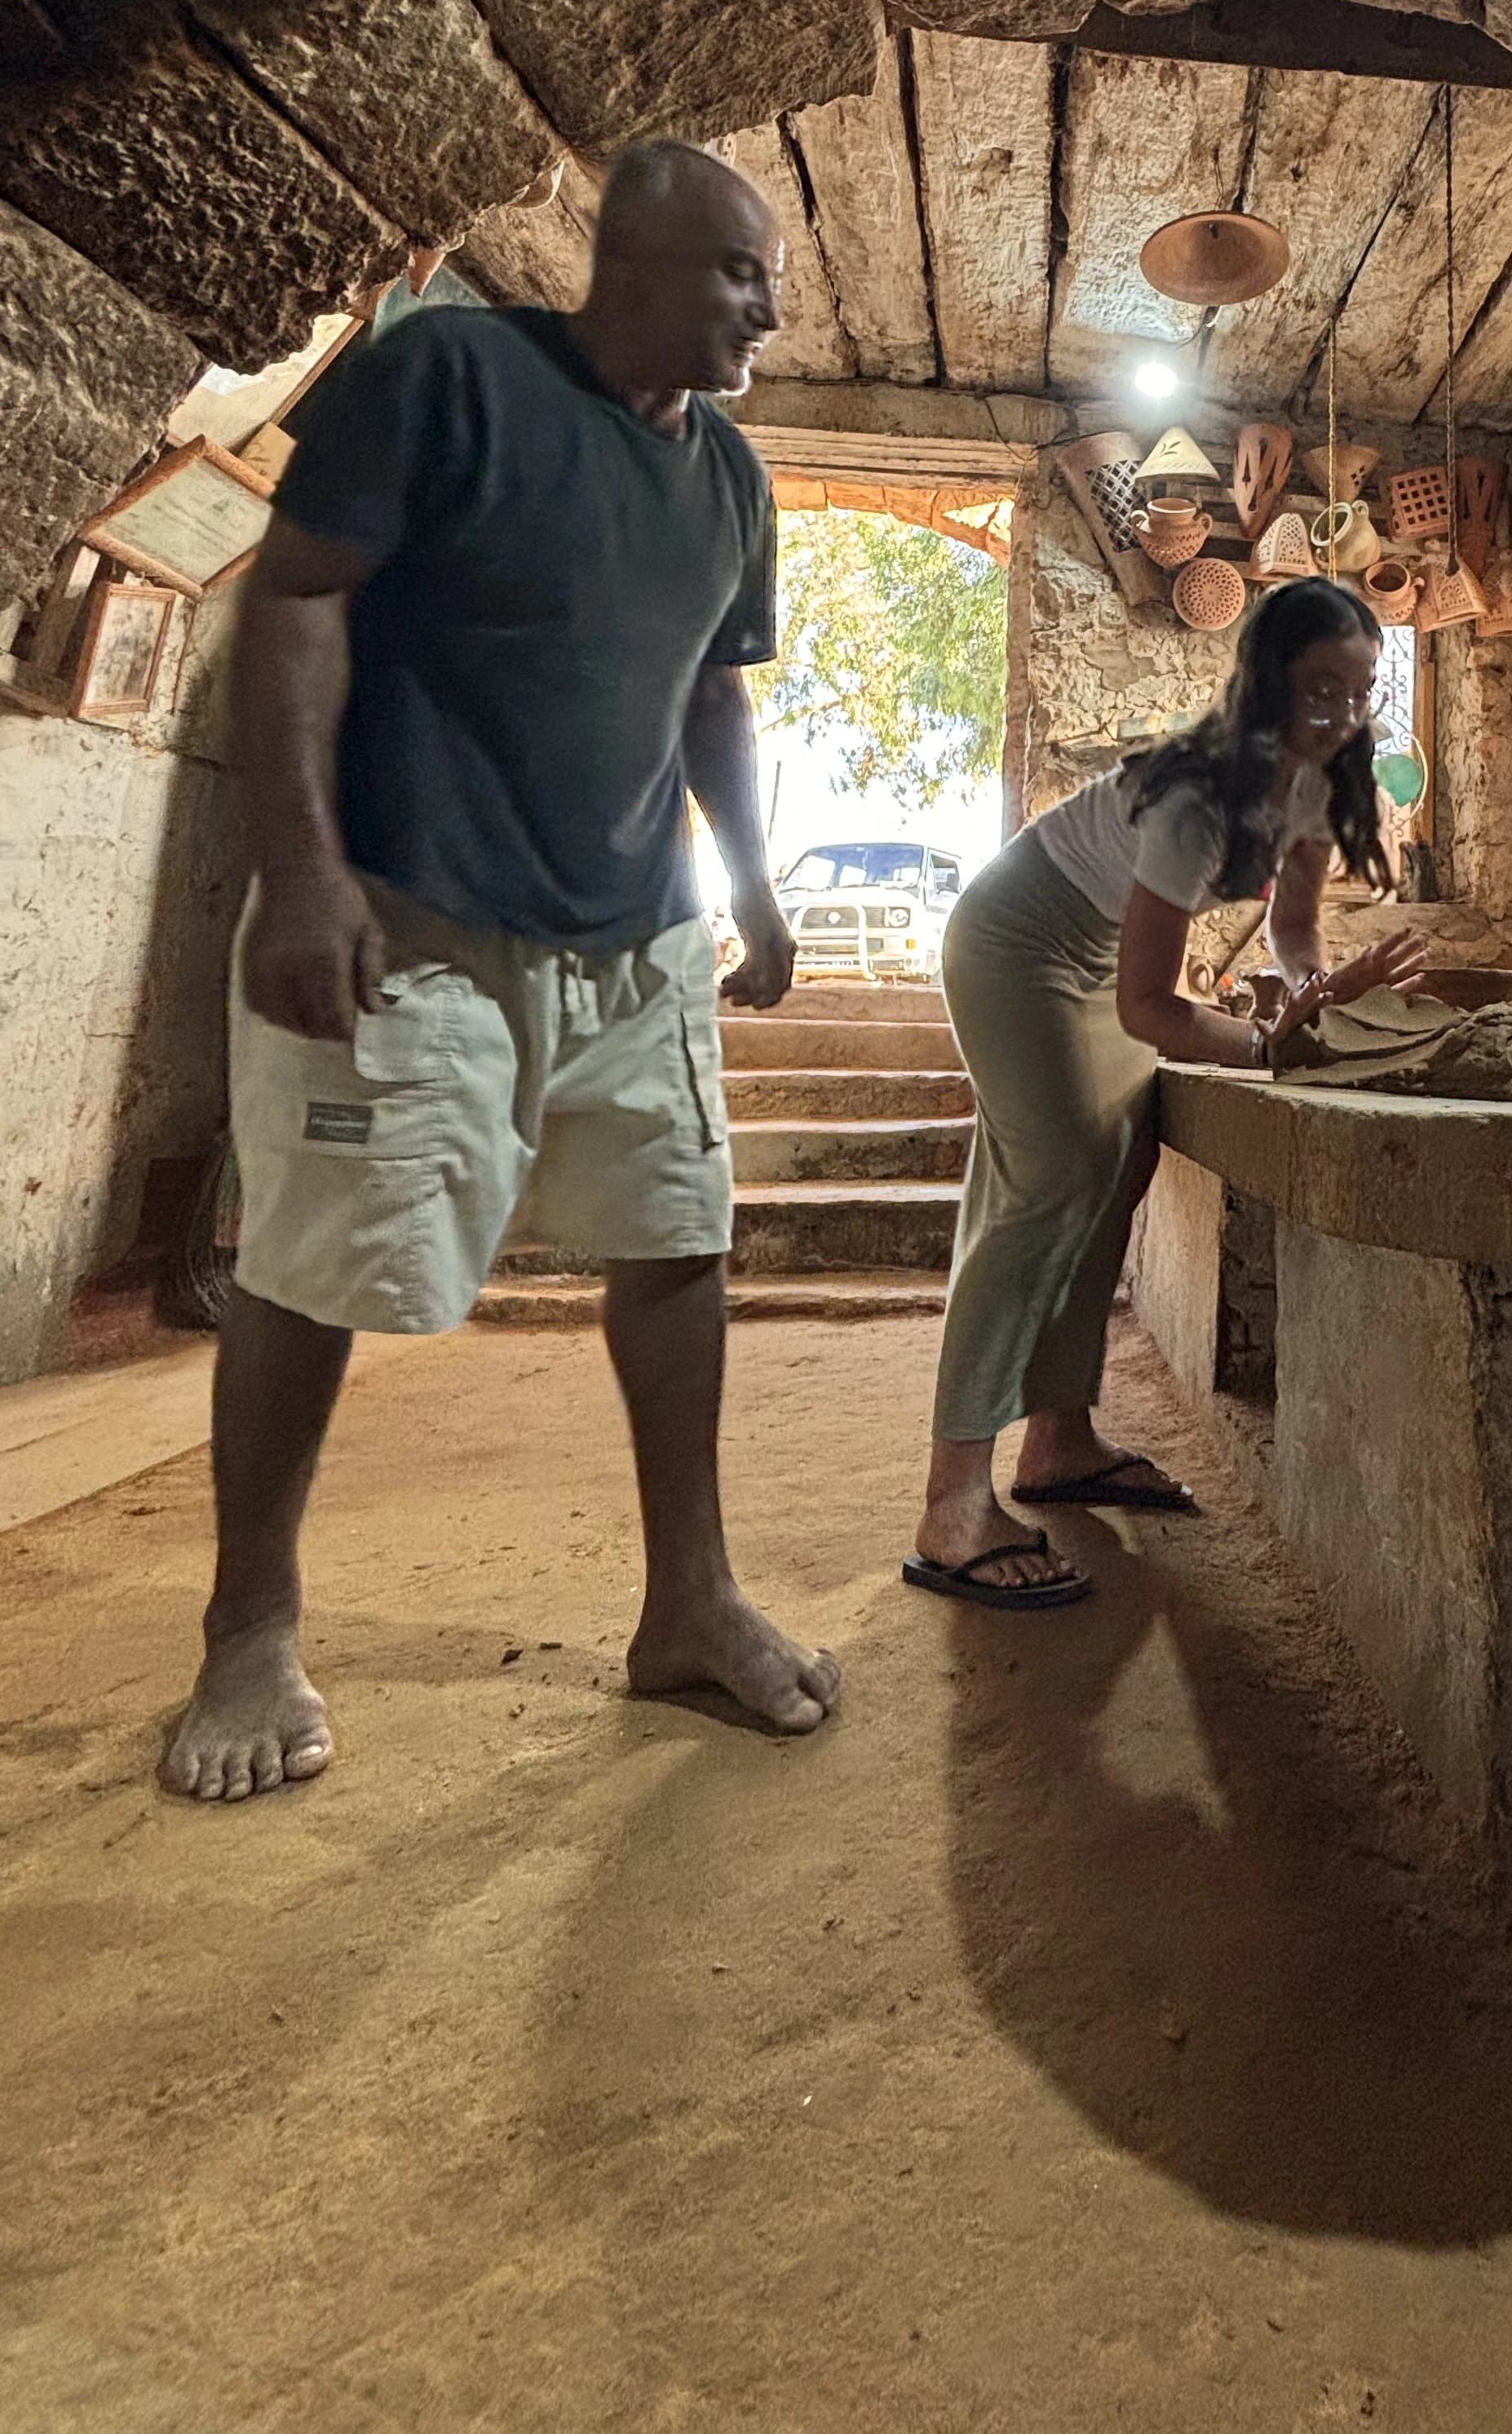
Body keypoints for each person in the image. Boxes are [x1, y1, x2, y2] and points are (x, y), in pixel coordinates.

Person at [160, 140, 841, 1803]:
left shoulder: (731, 479)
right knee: (318, 1260)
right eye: (741, 271)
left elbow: (712, 697)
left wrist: (753, 891)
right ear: (632, 264)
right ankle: (249, 1628)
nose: (768, 306)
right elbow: (297, 600)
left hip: (639, 936)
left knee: (677, 1240)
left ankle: (689, 1604)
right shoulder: (449, 374)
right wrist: (303, 874)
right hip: (412, 915)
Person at [907, 577, 1426, 1608]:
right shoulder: (1196, 798)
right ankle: (950, 1501)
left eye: (1361, 689)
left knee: (1122, 1160)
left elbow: (1293, 933)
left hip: (1104, 954)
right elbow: (1151, 1008)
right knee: (1050, 1183)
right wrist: (1271, 1048)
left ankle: (1059, 1440)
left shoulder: (1320, 786)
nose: (1343, 713)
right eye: (1321, 688)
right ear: (1268, 682)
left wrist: (1320, 998)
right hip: (1018, 942)